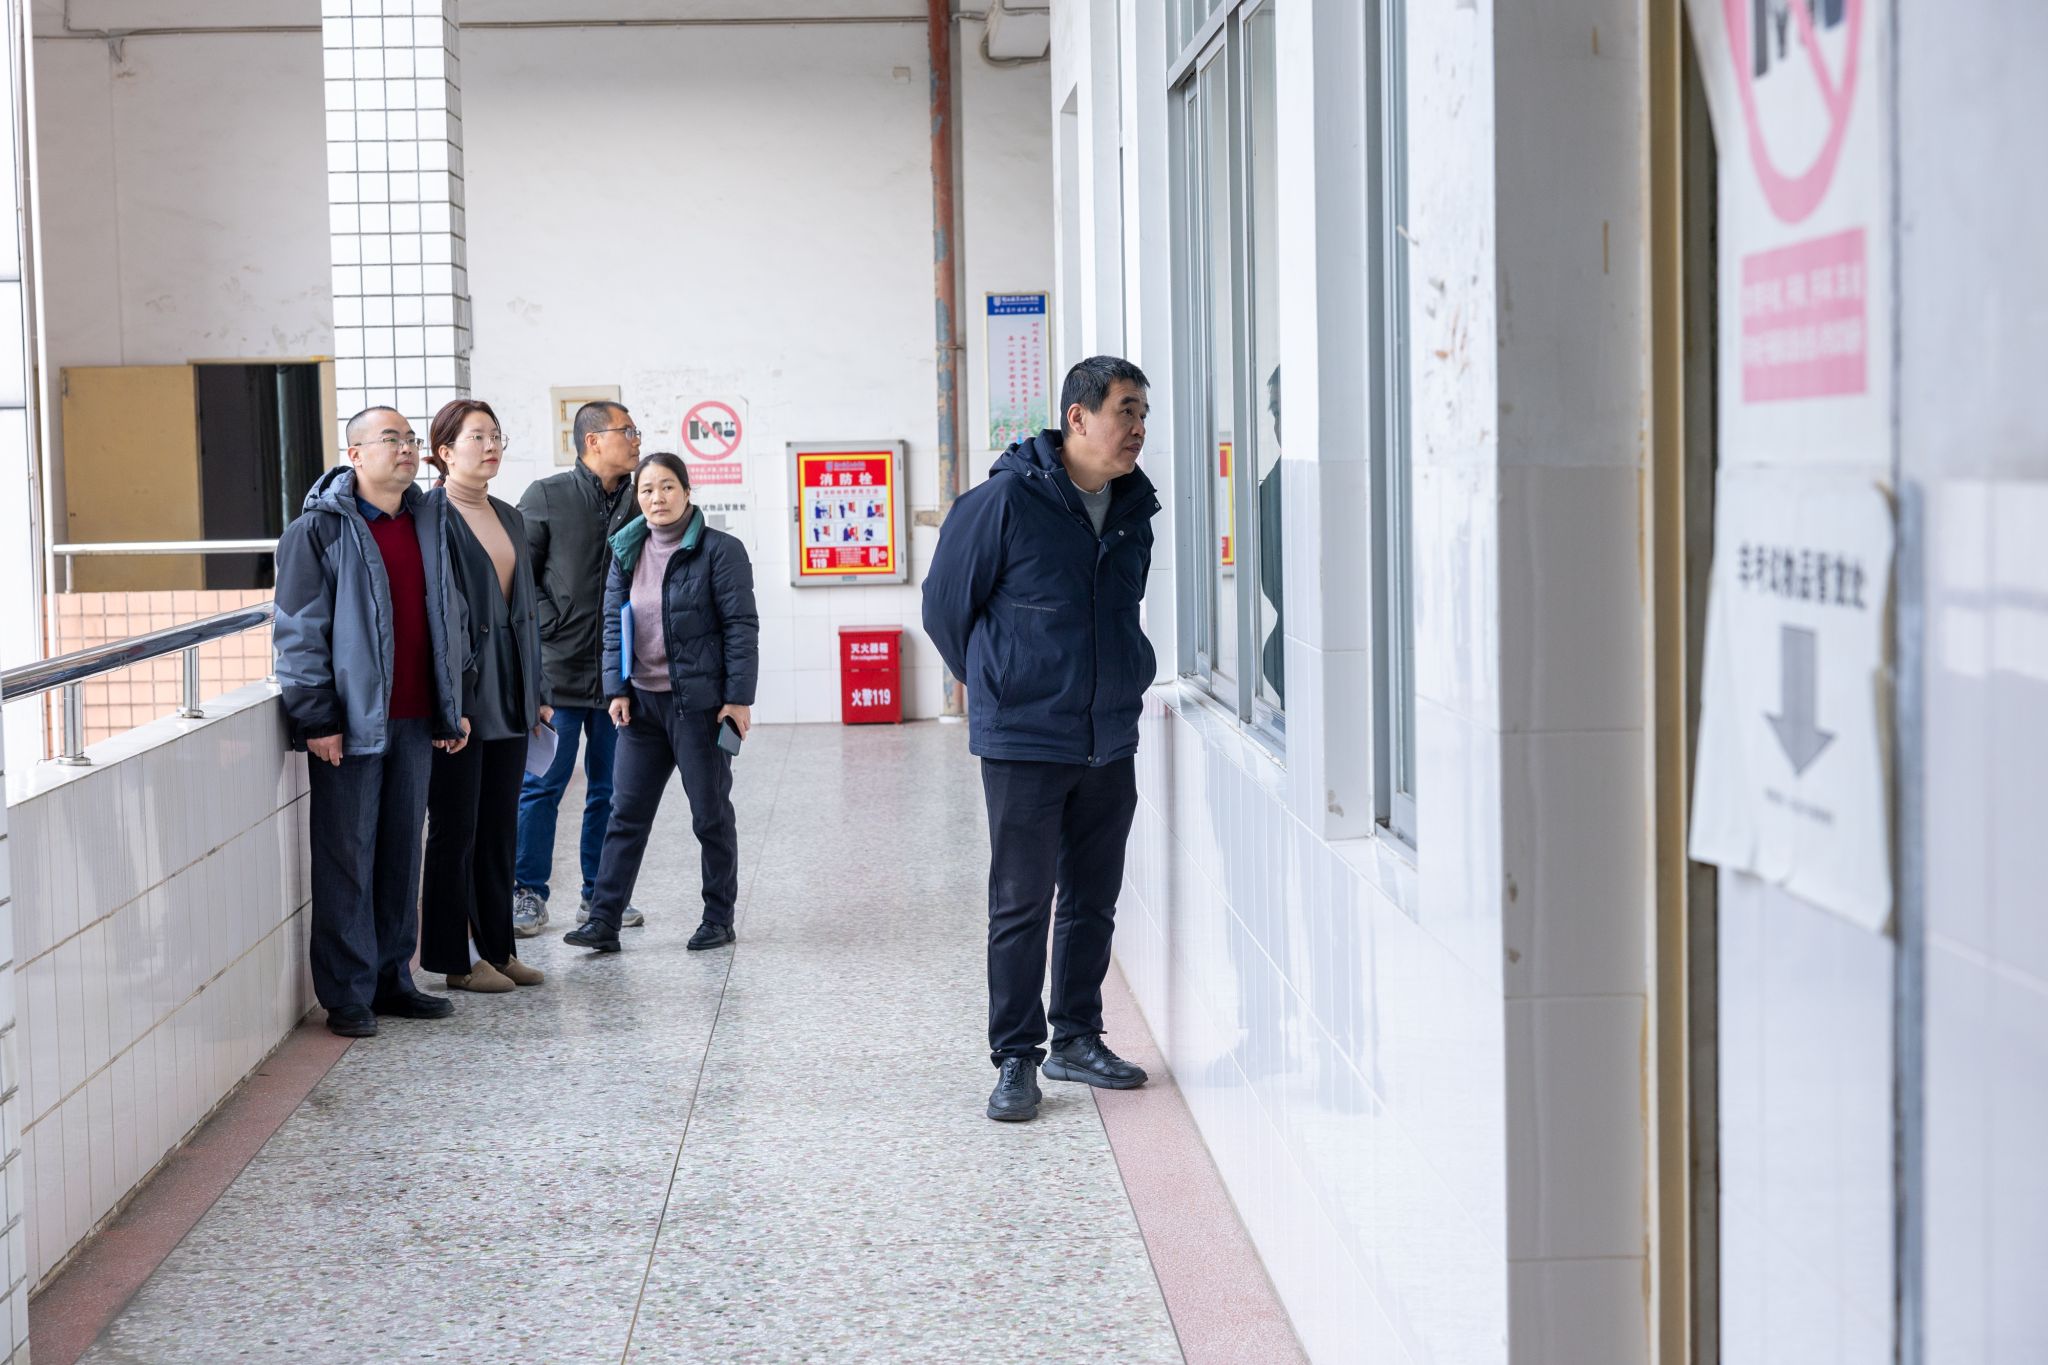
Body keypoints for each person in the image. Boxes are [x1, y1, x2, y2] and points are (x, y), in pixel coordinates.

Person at [921, 355, 1162, 1122]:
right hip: (1024, 738)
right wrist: (1001, 685)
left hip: (1107, 734)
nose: (1138, 427)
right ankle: (1017, 1056)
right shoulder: (1003, 501)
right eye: (1125, 410)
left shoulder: (1133, 507)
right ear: (1078, 417)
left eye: (1143, 413)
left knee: (1093, 898)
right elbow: (943, 606)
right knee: (1022, 901)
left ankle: (1077, 1037)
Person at [274, 406, 470, 1038]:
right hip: (352, 723)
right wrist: (316, 717)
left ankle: (393, 979)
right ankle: (348, 994)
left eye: (410, 439)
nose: (407, 448)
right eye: (392, 439)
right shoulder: (317, 530)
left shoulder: (429, 520)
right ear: (355, 454)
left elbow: (452, 616)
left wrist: (451, 704)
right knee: (347, 859)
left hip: (416, 719)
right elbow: (299, 629)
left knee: (400, 857)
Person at [564, 452, 758, 954]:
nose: (657, 498)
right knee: (624, 814)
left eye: (668, 487)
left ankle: (718, 918)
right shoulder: (627, 549)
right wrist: (616, 688)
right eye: (647, 489)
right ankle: (603, 920)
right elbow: (613, 624)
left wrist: (738, 699)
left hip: (699, 708)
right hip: (642, 707)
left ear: (687, 492)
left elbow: (741, 627)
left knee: (710, 815)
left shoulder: (720, 550)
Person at [420, 399, 552, 994]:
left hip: (512, 690)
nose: (491, 445)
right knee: (456, 830)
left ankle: (499, 949)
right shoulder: (432, 517)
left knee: (500, 826)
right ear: (445, 452)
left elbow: (526, 608)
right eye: (478, 437)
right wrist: (452, 702)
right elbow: (436, 617)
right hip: (462, 695)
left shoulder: (508, 515)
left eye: (496, 435)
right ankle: (454, 959)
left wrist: (538, 690)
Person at [512, 401, 644, 936]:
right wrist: (554, 622)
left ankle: (600, 895)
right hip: (557, 675)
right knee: (542, 786)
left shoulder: (641, 499)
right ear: (593, 440)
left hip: (619, 676)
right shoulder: (547, 496)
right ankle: (526, 891)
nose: (636, 440)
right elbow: (517, 577)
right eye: (627, 431)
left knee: (610, 790)